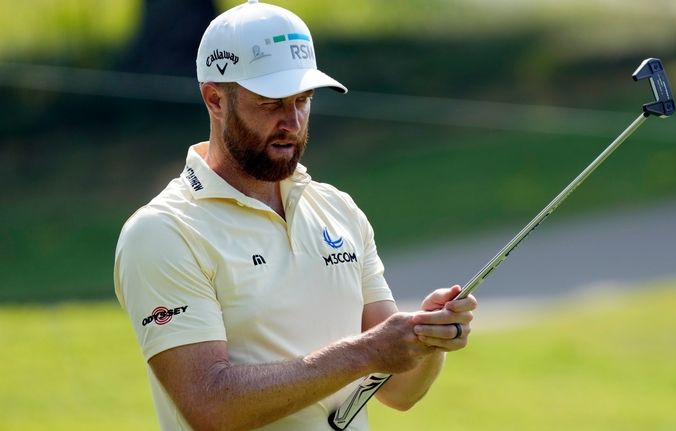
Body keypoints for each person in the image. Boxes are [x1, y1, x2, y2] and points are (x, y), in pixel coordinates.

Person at [114, 1, 477, 430]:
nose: (292, 120)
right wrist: (365, 352)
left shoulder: (337, 209)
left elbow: (399, 391)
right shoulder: (163, 232)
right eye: (271, 103)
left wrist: (425, 339)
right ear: (215, 98)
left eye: (303, 99)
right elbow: (209, 406)